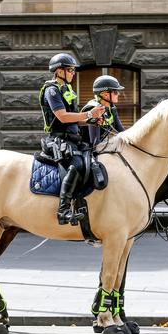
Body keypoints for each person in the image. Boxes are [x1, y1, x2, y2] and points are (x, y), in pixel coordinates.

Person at [39, 53, 105, 225]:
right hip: (58, 139)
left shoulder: (67, 89)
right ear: (59, 71)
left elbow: (75, 119)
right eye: (70, 70)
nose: (73, 73)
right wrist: (90, 113)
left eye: (73, 70)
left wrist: (90, 120)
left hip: (73, 138)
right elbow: (62, 117)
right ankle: (63, 210)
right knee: (76, 165)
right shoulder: (51, 90)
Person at [81, 75, 126, 146]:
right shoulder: (93, 109)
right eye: (115, 92)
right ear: (105, 94)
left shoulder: (111, 108)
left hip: (102, 147)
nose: (118, 94)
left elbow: (121, 132)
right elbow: (95, 143)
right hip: (87, 150)